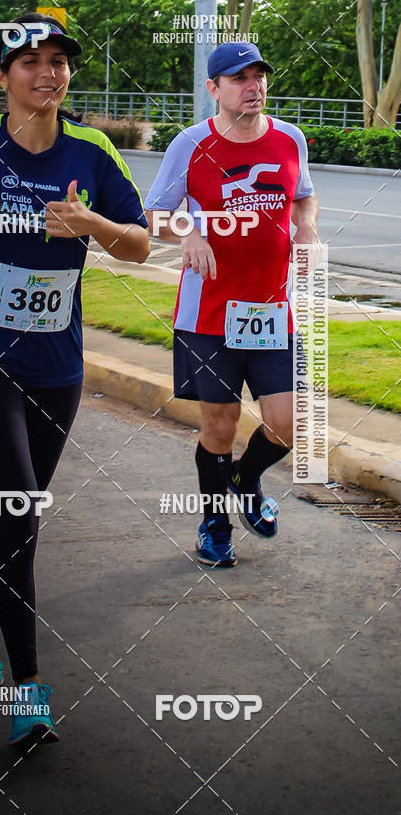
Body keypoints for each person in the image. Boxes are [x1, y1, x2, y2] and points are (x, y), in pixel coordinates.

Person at [0, 12, 149, 744]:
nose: (48, 73)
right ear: (2, 76)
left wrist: (91, 226)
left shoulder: (92, 150)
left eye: (59, 61)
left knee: (16, 514)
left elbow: (139, 244)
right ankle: (29, 690)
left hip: (54, 363)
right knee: (17, 509)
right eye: (31, 61)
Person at [144, 41, 320, 568]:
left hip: (272, 310)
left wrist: (306, 226)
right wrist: (189, 232)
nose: (253, 86)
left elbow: (303, 194)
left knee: (291, 422)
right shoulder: (190, 144)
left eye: (258, 76)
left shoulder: (289, 138)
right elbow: (153, 213)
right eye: (239, 78)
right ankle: (214, 524)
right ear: (214, 89)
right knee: (220, 427)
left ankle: (245, 479)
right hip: (208, 314)